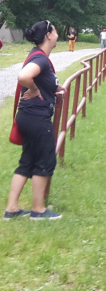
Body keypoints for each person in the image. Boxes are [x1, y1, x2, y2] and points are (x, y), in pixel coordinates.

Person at [4, 21, 63, 220]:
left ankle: (12, 209)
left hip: (27, 117)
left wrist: (52, 88)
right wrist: (35, 90)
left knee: (27, 161)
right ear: (48, 35)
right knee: (45, 160)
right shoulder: (41, 59)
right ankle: (38, 210)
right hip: (37, 118)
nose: (56, 33)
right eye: (54, 30)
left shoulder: (36, 56)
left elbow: (40, 79)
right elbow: (23, 76)